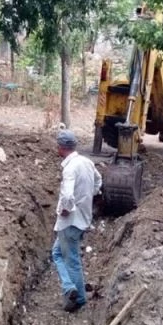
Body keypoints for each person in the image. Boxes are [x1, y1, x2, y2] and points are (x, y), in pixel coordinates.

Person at [52, 129, 102, 312]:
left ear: (61, 147)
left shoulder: (70, 168)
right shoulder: (87, 162)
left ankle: (78, 297)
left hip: (70, 222)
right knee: (57, 253)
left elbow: (67, 195)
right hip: (83, 218)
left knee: (71, 259)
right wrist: (90, 195)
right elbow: (98, 181)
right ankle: (69, 287)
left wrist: (66, 209)